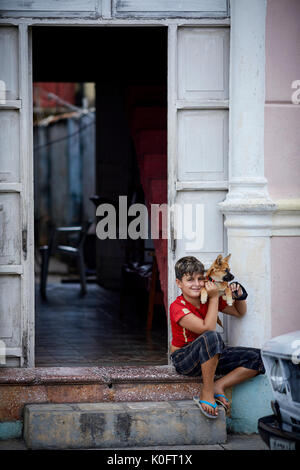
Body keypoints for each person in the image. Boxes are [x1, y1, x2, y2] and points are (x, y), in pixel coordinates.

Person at [170, 256, 265, 419]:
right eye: (190, 280)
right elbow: (207, 328)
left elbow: (238, 312)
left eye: (200, 278)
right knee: (211, 336)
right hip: (185, 359)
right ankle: (206, 394)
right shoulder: (177, 307)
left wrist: (239, 297)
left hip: (211, 355)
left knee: (260, 358)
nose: (197, 284)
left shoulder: (207, 299)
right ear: (179, 283)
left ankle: (218, 385)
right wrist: (214, 297)